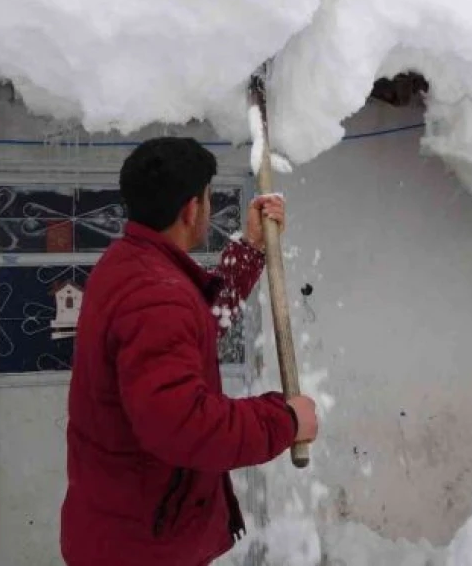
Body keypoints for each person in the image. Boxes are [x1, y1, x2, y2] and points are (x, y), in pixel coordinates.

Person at [60, 136, 319, 566]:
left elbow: (197, 321)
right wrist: (286, 420)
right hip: (143, 546)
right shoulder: (154, 293)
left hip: (128, 531)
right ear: (192, 209)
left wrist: (251, 249)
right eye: (208, 197)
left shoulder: (131, 264)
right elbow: (185, 425)